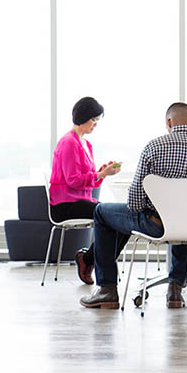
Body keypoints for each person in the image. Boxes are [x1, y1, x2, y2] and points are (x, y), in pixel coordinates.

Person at [80, 102, 187, 309]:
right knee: (184, 221)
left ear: (168, 122)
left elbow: (135, 203)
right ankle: (175, 288)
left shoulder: (154, 147)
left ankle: (107, 289)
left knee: (101, 212)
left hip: (156, 225)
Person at [48, 96, 122, 284]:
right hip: (66, 205)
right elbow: (73, 181)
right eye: (94, 120)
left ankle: (89, 259)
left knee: (121, 219)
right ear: (84, 117)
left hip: (81, 202)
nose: (96, 124)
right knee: (115, 217)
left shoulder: (85, 144)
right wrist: (99, 174)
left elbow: (88, 181)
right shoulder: (69, 143)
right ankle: (95, 263)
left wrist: (102, 173)